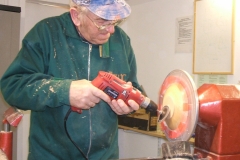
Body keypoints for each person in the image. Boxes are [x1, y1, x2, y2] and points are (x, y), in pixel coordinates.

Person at [0, 0, 142, 159]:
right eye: (102, 22)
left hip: (105, 156)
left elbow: (133, 87)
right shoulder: (46, 33)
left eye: (115, 21)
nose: (111, 30)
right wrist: (64, 91)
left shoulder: (121, 41)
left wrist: (128, 106)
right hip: (51, 155)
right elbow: (13, 86)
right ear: (76, 16)